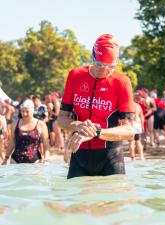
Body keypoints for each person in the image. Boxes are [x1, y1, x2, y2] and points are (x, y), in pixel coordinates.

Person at [57, 34, 135, 179]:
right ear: (92, 56)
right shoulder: (75, 75)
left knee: (113, 202)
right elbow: (61, 119)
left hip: (110, 157)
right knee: (75, 201)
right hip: (79, 156)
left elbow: (130, 131)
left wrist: (96, 132)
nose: (104, 70)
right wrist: (78, 126)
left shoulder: (122, 82)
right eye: (99, 64)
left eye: (110, 66)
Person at [2, 99, 50, 164]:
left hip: (34, 161)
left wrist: (46, 160)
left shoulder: (41, 125)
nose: (24, 114)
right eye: (22, 111)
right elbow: (12, 142)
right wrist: (6, 158)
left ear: (33, 111)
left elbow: (46, 145)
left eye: (27, 111)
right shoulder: (15, 124)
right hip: (15, 160)